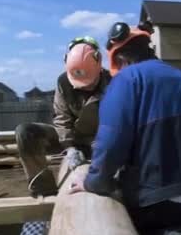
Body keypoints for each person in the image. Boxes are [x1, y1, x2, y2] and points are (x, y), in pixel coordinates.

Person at [69, 22, 181, 235]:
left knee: (133, 215)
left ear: (120, 59)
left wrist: (93, 182)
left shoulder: (126, 80)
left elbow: (111, 143)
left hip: (166, 197)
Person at [15, 36, 111, 197]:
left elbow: (116, 123)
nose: (86, 87)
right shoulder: (63, 82)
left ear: (98, 65)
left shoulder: (113, 83)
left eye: (90, 82)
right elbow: (61, 117)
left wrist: (99, 144)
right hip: (70, 139)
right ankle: (44, 190)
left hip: (99, 141)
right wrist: (69, 147)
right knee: (25, 132)